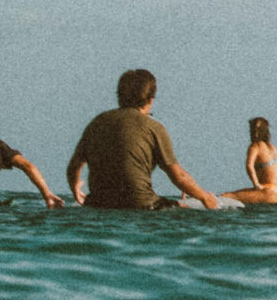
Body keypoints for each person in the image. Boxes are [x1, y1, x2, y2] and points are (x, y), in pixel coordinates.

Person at [66, 69, 218, 209]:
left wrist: (75, 188)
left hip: (98, 203)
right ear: (151, 100)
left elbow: (74, 165)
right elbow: (177, 175)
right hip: (141, 204)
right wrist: (205, 197)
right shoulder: (154, 128)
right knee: (190, 209)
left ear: (119, 96)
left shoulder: (97, 122)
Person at [220, 117, 277, 205]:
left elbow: (249, 166)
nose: (252, 133)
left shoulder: (255, 147)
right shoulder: (272, 148)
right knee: (239, 193)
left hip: (267, 194)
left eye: (252, 130)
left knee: (225, 196)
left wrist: (256, 185)